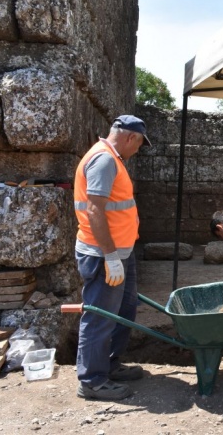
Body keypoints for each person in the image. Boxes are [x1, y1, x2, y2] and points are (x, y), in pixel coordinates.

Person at [73, 115, 151, 400]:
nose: (138, 150)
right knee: (100, 316)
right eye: (140, 144)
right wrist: (109, 256)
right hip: (104, 254)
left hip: (121, 252)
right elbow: (95, 210)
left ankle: (108, 365)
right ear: (131, 137)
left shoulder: (113, 159)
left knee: (125, 309)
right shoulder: (105, 160)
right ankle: (92, 381)